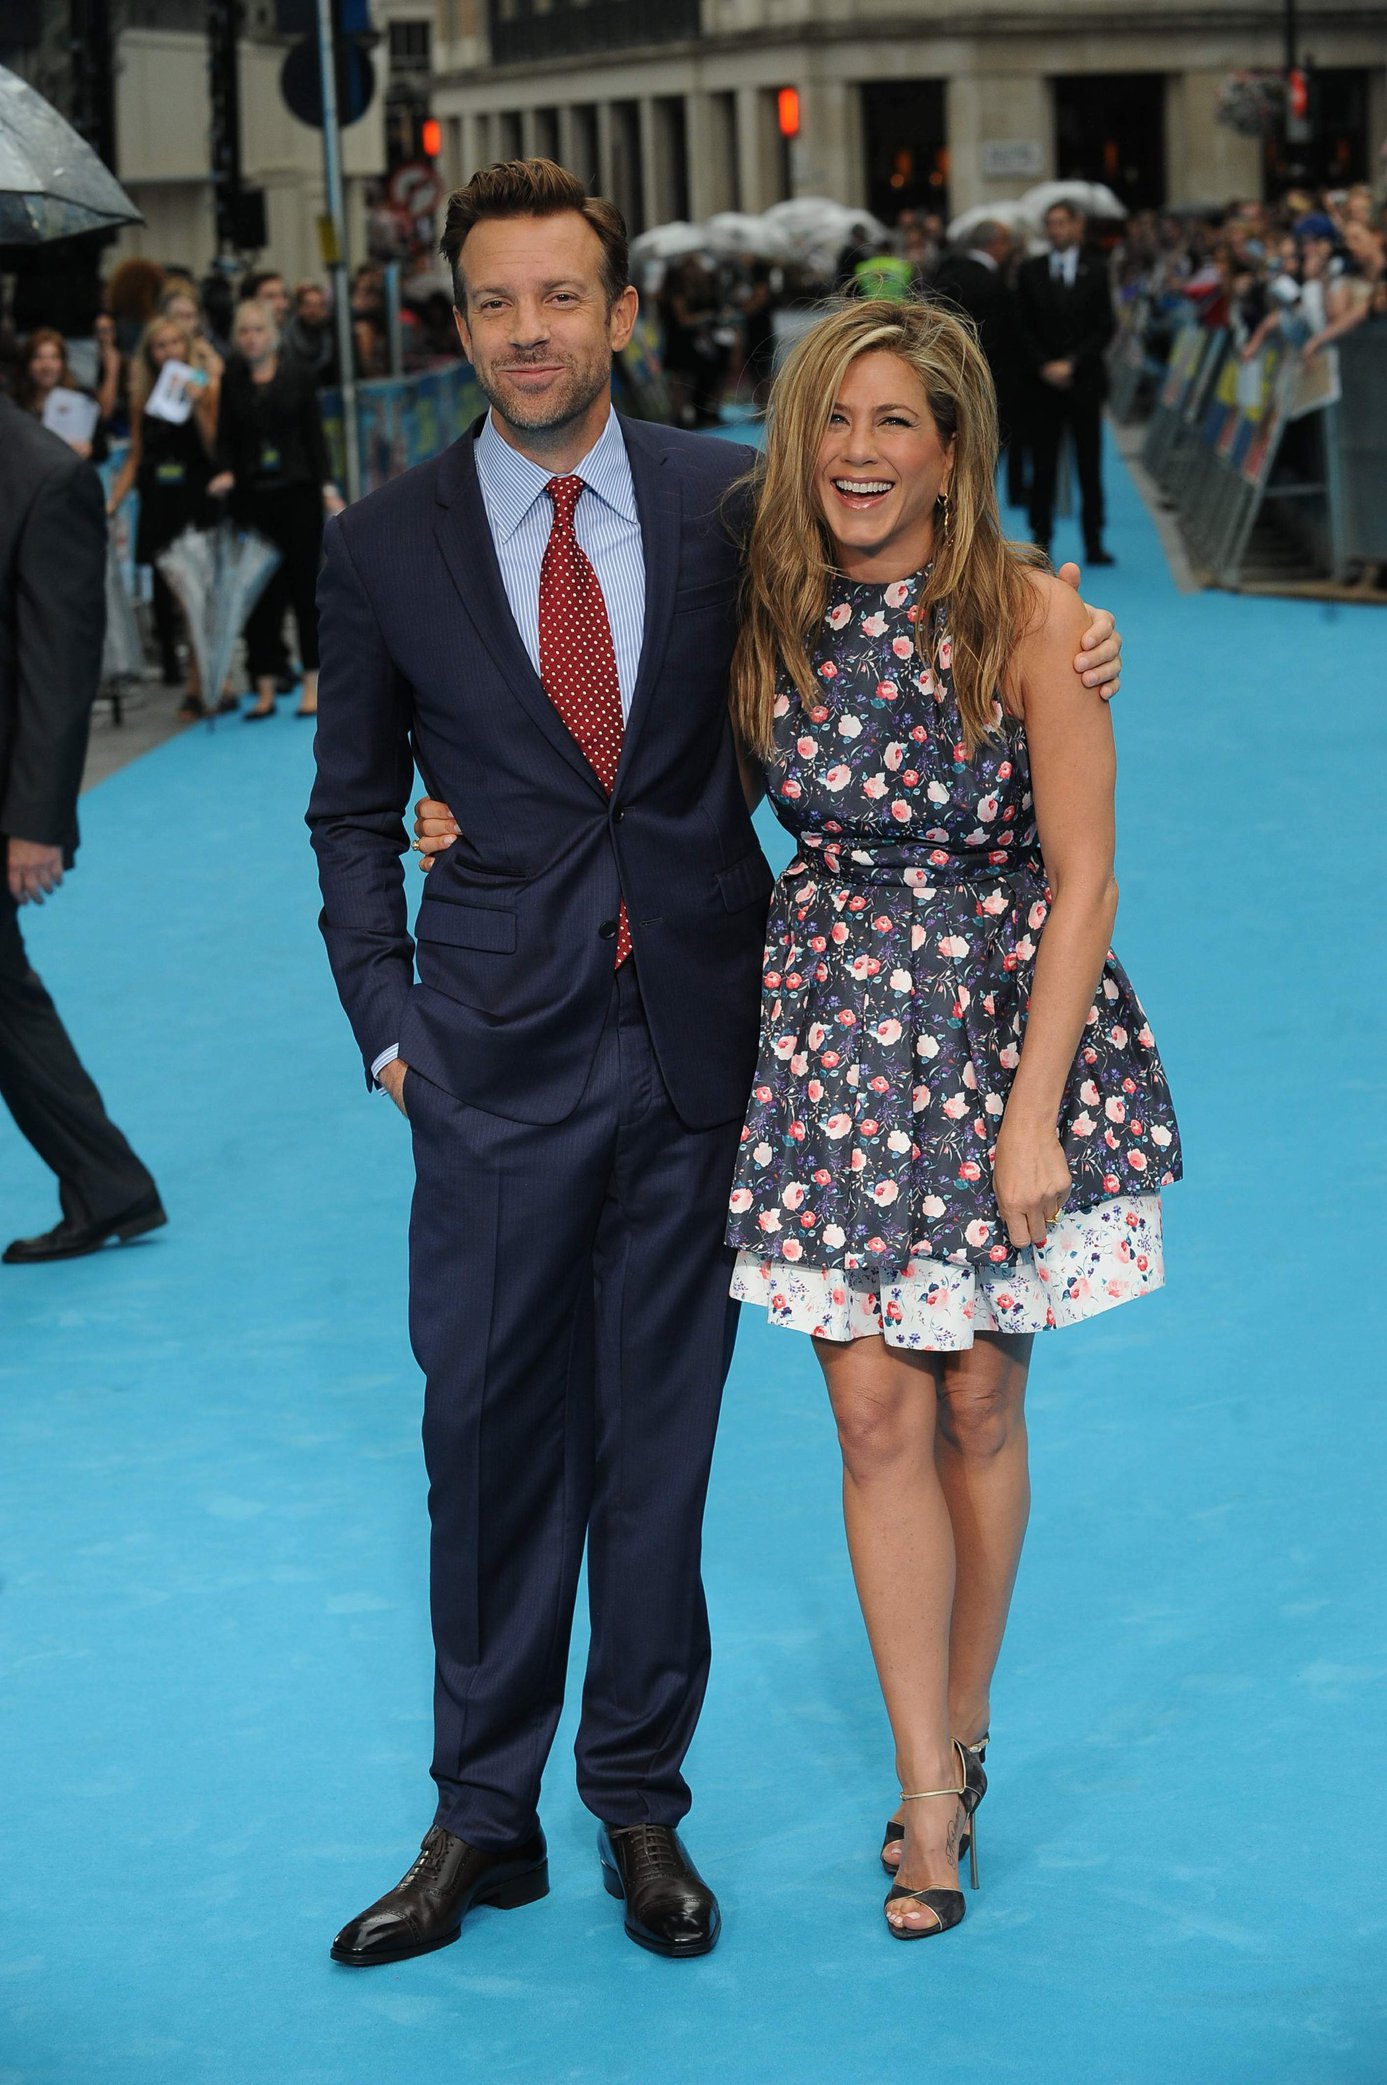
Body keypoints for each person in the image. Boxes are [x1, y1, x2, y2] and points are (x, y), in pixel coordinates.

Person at [312, 157, 1126, 1972]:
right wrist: (389, 1029)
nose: (529, 331)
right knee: (481, 1441)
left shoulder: (733, 503)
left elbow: (919, 577)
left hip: (716, 1049)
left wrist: (1066, 615)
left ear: (618, 314)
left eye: (560, 296)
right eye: (494, 301)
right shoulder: (379, 544)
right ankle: (478, 1819)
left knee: (658, 1457)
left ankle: (637, 1806)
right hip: (489, 1058)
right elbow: (349, 809)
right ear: (460, 325)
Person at [721, 299, 1180, 1937]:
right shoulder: (764, 613)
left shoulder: (1034, 619)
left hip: (996, 1035)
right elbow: (640, 787)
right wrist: (457, 814)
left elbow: (1084, 878)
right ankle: (924, 1792)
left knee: (976, 1402)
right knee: (871, 1420)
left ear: (948, 448)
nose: (858, 453)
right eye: (834, 422)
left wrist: (1033, 1116)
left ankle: (964, 1730)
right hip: (833, 1040)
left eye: (894, 422)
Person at [0, 393, 166, 1265]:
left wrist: (36, 822)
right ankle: (109, 1184)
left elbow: (61, 664)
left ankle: (109, 1183)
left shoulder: (46, 477)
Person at [208, 300, 343, 719]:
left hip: (297, 494)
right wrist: (225, 471)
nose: (251, 339)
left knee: (305, 591)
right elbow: (225, 437)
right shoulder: (232, 380)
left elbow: (314, 437)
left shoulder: (299, 375)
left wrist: (326, 485)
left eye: (258, 330)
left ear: (273, 334)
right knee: (258, 594)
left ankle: (312, 683)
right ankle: (263, 686)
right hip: (251, 498)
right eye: (244, 331)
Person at [107, 314, 221, 711]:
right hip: (159, 503)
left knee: (196, 596)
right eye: (160, 344)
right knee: (177, 597)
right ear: (150, 353)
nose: (168, 350)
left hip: (195, 500)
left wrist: (199, 404)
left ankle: (202, 680)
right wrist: (113, 500)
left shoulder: (205, 385)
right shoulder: (143, 395)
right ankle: (203, 677)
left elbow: (215, 447)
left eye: (175, 342)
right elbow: (136, 455)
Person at [1016, 202, 1116, 564]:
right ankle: (1040, 544)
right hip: (1042, 387)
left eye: (1061, 223)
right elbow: (1021, 326)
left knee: (1089, 466)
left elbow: (1105, 325)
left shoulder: (1098, 269)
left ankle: (1094, 541)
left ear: (1077, 224)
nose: (1055, 230)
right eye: (1050, 223)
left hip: (1084, 382)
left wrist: (1072, 362)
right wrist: (1044, 364)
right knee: (1042, 467)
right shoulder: (1030, 271)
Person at [931, 220, 1029, 505]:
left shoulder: (946, 272)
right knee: (984, 452)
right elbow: (1001, 338)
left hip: (945, 376)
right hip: (988, 381)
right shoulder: (992, 282)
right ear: (995, 244)